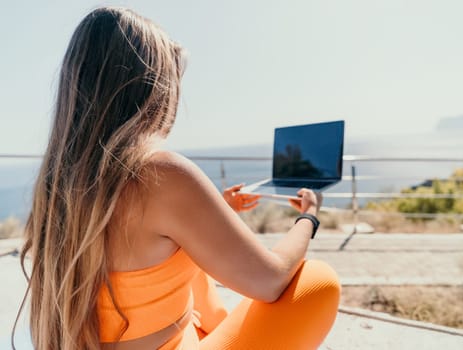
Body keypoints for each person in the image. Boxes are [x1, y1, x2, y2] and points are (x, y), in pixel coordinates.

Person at [17, 7, 340, 350]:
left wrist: (220, 209)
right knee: (318, 282)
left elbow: (132, 241)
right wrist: (308, 216)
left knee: (189, 252)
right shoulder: (158, 172)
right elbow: (271, 280)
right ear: (153, 87)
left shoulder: (58, 183)